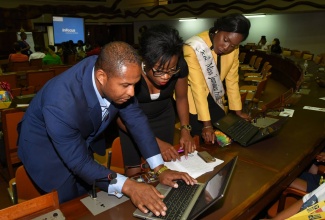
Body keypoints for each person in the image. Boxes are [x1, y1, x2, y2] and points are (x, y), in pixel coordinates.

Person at [17, 41, 196, 216]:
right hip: (45, 150)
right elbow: (78, 162)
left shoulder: (113, 72)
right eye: (126, 86)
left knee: (90, 194)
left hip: (76, 139)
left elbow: (137, 121)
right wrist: (130, 187)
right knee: (72, 206)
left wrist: (160, 169)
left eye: (135, 84)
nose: (133, 93)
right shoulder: (60, 103)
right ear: (102, 77)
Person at [117, 24, 196, 176]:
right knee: (135, 173)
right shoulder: (130, 71)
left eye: (171, 70)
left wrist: (186, 129)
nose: (166, 76)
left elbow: (181, 98)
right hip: (131, 123)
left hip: (163, 118)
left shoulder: (179, 66)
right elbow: (119, 117)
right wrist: (154, 142)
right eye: (159, 70)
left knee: (162, 169)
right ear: (145, 61)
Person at [183, 13, 251, 144]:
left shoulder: (234, 48)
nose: (226, 48)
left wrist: (238, 110)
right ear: (218, 29)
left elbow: (232, 80)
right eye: (226, 40)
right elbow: (198, 87)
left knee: (223, 135)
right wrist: (207, 124)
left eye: (233, 46)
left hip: (215, 94)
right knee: (201, 139)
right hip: (193, 99)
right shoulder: (193, 47)